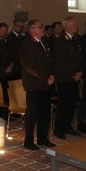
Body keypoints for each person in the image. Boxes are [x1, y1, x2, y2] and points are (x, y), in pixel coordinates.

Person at [20, 19, 55, 150]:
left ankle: (43, 138)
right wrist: (46, 77)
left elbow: (50, 61)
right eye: (40, 27)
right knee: (32, 113)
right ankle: (28, 140)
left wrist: (52, 74)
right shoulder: (27, 44)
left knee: (45, 113)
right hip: (34, 84)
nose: (42, 29)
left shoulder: (44, 42)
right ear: (32, 30)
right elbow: (30, 66)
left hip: (46, 84)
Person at [51, 17, 83, 138]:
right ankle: (59, 129)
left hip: (75, 77)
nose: (76, 26)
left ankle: (68, 126)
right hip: (65, 78)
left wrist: (80, 72)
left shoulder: (76, 39)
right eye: (74, 24)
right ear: (67, 26)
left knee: (72, 104)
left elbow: (80, 58)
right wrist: (73, 74)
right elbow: (61, 62)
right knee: (63, 104)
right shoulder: (61, 41)